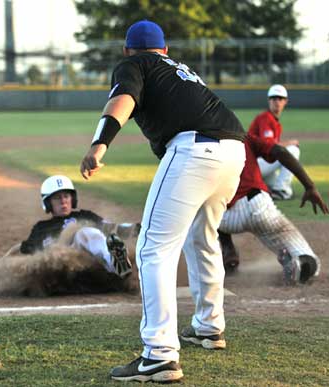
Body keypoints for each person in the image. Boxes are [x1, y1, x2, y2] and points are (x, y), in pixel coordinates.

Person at [80, 20, 246, 383]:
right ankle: (208, 326)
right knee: (202, 237)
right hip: (234, 149)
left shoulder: (134, 64)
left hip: (193, 150)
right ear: (165, 49)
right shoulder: (181, 69)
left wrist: (99, 144)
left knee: (152, 248)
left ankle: (159, 354)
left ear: (127, 50)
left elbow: (123, 99)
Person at [217, 134, 328, 281]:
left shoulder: (199, 146)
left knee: (202, 208)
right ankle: (297, 263)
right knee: (309, 262)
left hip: (223, 219)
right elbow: (281, 152)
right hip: (259, 208)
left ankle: (226, 249)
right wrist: (310, 186)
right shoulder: (243, 137)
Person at [18, 175, 133, 279]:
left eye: (66, 196)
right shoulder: (41, 228)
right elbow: (26, 251)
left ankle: (117, 265)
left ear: (72, 199)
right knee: (84, 233)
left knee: (88, 232)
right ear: (48, 203)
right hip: (63, 271)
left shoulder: (85, 216)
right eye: (57, 198)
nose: (63, 201)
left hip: (93, 264)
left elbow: (111, 227)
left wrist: (139, 229)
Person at [249, 84, 299, 200]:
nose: (277, 102)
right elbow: (269, 145)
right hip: (254, 165)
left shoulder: (273, 121)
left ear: (285, 101)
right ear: (269, 101)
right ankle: (281, 189)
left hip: (259, 164)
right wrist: (290, 143)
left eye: (280, 99)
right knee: (293, 150)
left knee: (270, 187)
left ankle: (270, 188)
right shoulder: (265, 118)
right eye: (274, 98)